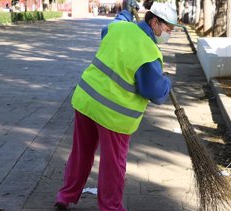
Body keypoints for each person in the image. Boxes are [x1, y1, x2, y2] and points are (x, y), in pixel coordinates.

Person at [54, 2, 177, 211]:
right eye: (168, 29)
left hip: (86, 101)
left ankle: (65, 195)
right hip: (114, 115)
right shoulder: (149, 53)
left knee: (80, 153)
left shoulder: (120, 27)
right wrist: (167, 83)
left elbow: (110, 27)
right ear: (154, 22)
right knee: (113, 165)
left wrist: (126, 15)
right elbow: (155, 93)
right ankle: (111, 207)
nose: (169, 34)